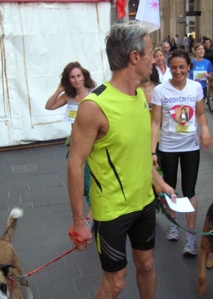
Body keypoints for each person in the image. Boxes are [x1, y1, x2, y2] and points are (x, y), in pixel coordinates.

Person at [67, 22, 175, 299]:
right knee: (115, 283)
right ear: (135, 57)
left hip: (145, 204)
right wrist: (79, 221)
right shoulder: (94, 106)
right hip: (112, 212)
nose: (155, 57)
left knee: (147, 264)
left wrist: (158, 181)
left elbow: (138, 150)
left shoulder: (139, 94)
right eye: (151, 51)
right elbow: (75, 164)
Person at [151, 49, 212, 256]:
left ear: (188, 67)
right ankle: (173, 224)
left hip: (190, 146)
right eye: (174, 67)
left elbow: (202, 114)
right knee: (170, 189)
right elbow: (155, 122)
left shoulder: (195, 87)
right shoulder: (161, 90)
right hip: (167, 146)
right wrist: (152, 151)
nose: (178, 72)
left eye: (182, 67)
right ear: (170, 68)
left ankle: (191, 236)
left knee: (190, 190)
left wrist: (204, 128)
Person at [45, 61, 96, 214]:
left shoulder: (93, 93)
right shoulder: (69, 96)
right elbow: (49, 106)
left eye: (79, 76)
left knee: (92, 177)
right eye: (72, 77)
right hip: (76, 142)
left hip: (93, 141)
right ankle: (88, 211)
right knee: (79, 178)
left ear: (84, 76)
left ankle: (92, 214)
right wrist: (58, 90)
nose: (76, 80)